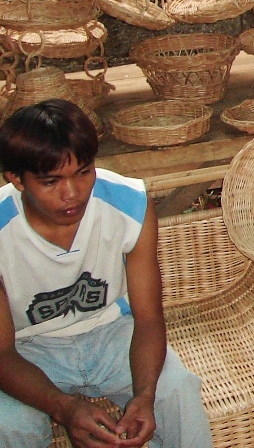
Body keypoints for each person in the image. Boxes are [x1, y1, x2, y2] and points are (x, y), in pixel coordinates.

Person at [0, 99, 212, 447]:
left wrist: (144, 396)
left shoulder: (128, 204)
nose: (72, 194)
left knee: (178, 390)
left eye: (83, 172)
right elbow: (2, 352)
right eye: (51, 181)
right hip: (28, 349)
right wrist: (64, 408)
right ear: (17, 180)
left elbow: (147, 318)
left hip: (111, 332)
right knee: (9, 425)